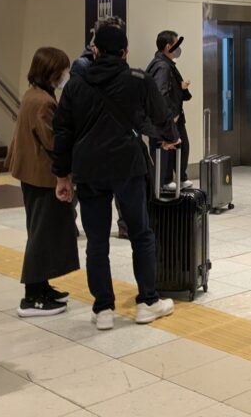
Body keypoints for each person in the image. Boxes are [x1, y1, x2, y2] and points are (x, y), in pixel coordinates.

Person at [52, 22, 179, 330]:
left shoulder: (75, 85)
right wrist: (169, 137)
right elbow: (162, 116)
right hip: (128, 167)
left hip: (89, 170)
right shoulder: (138, 79)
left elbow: (63, 132)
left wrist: (62, 176)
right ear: (124, 52)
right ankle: (148, 302)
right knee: (141, 233)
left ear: (94, 50)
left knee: (96, 240)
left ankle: (103, 308)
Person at [7, 47, 79, 317]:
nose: (65, 74)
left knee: (42, 232)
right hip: (42, 176)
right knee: (41, 234)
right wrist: (66, 172)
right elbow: (52, 141)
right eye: (63, 69)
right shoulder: (43, 102)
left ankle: (42, 285)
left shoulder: (32, 95)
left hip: (33, 175)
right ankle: (32, 296)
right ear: (52, 71)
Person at [73, 15, 128, 239]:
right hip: (91, 139)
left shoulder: (120, 63)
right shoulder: (83, 65)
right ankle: (70, 222)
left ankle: (125, 224)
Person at [146, 31, 193, 191]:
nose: (179, 48)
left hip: (169, 118)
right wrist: (170, 116)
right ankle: (165, 182)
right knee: (168, 149)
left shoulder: (163, 64)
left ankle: (174, 179)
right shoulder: (162, 66)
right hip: (167, 119)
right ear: (168, 46)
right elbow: (160, 93)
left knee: (180, 148)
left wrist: (180, 88)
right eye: (176, 44)